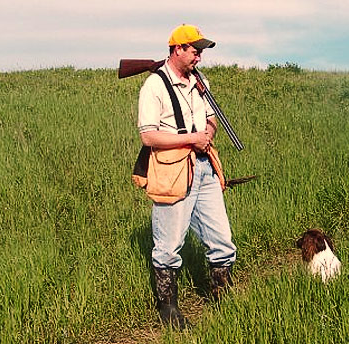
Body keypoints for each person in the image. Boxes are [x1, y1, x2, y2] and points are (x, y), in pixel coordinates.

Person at [137, 24, 236, 329]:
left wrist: (207, 132)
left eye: (201, 52)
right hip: (172, 171)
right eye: (195, 51)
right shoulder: (154, 86)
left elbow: (210, 119)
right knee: (168, 246)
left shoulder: (199, 80)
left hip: (205, 167)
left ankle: (223, 298)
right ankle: (168, 310)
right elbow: (149, 137)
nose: (200, 58)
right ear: (177, 49)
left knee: (222, 241)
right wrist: (191, 139)